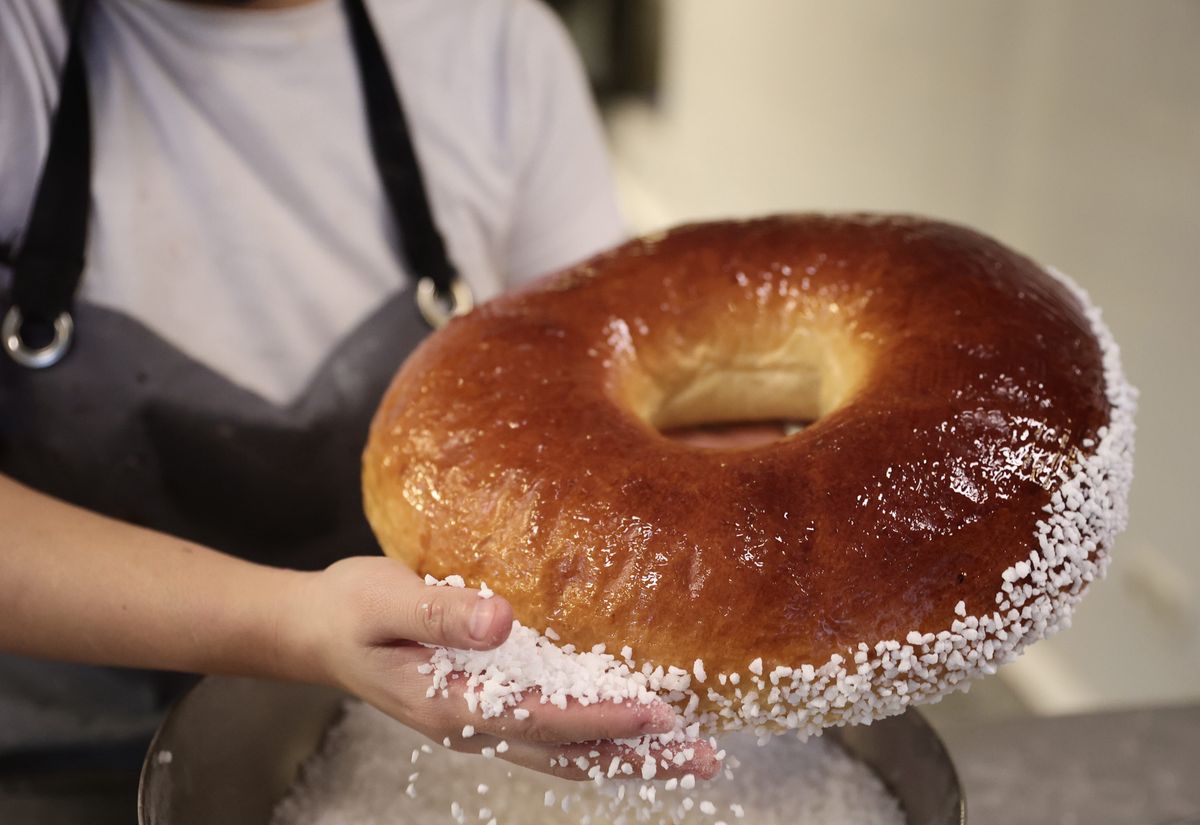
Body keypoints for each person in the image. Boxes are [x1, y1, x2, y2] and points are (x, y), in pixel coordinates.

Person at [0, 0, 713, 779]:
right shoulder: (19, 44)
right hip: (51, 757)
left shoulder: (492, 42)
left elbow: (606, 382)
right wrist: (300, 626)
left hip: (419, 735)